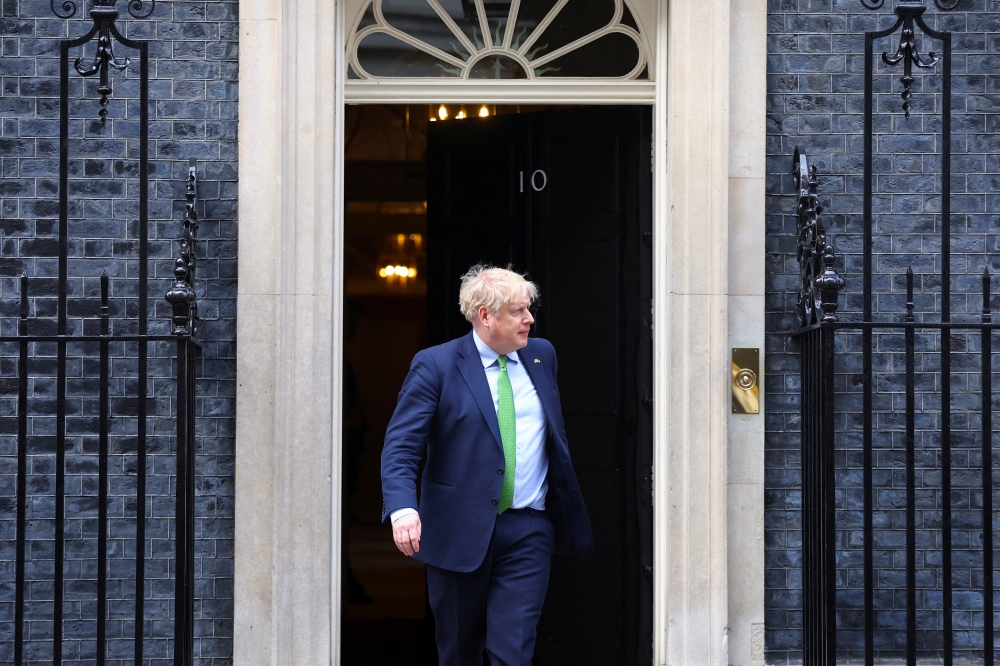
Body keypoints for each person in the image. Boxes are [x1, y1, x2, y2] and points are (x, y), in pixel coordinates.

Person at [381, 264, 593, 666]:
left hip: (529, 528)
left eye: (528, 309)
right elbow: (401, 446)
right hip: (457, 530)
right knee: (460, 653)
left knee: (513, 654)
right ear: (485, 316)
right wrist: (403, 509)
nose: (529, 319)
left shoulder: (541, 356)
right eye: (518, 311)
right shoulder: (436, 365)